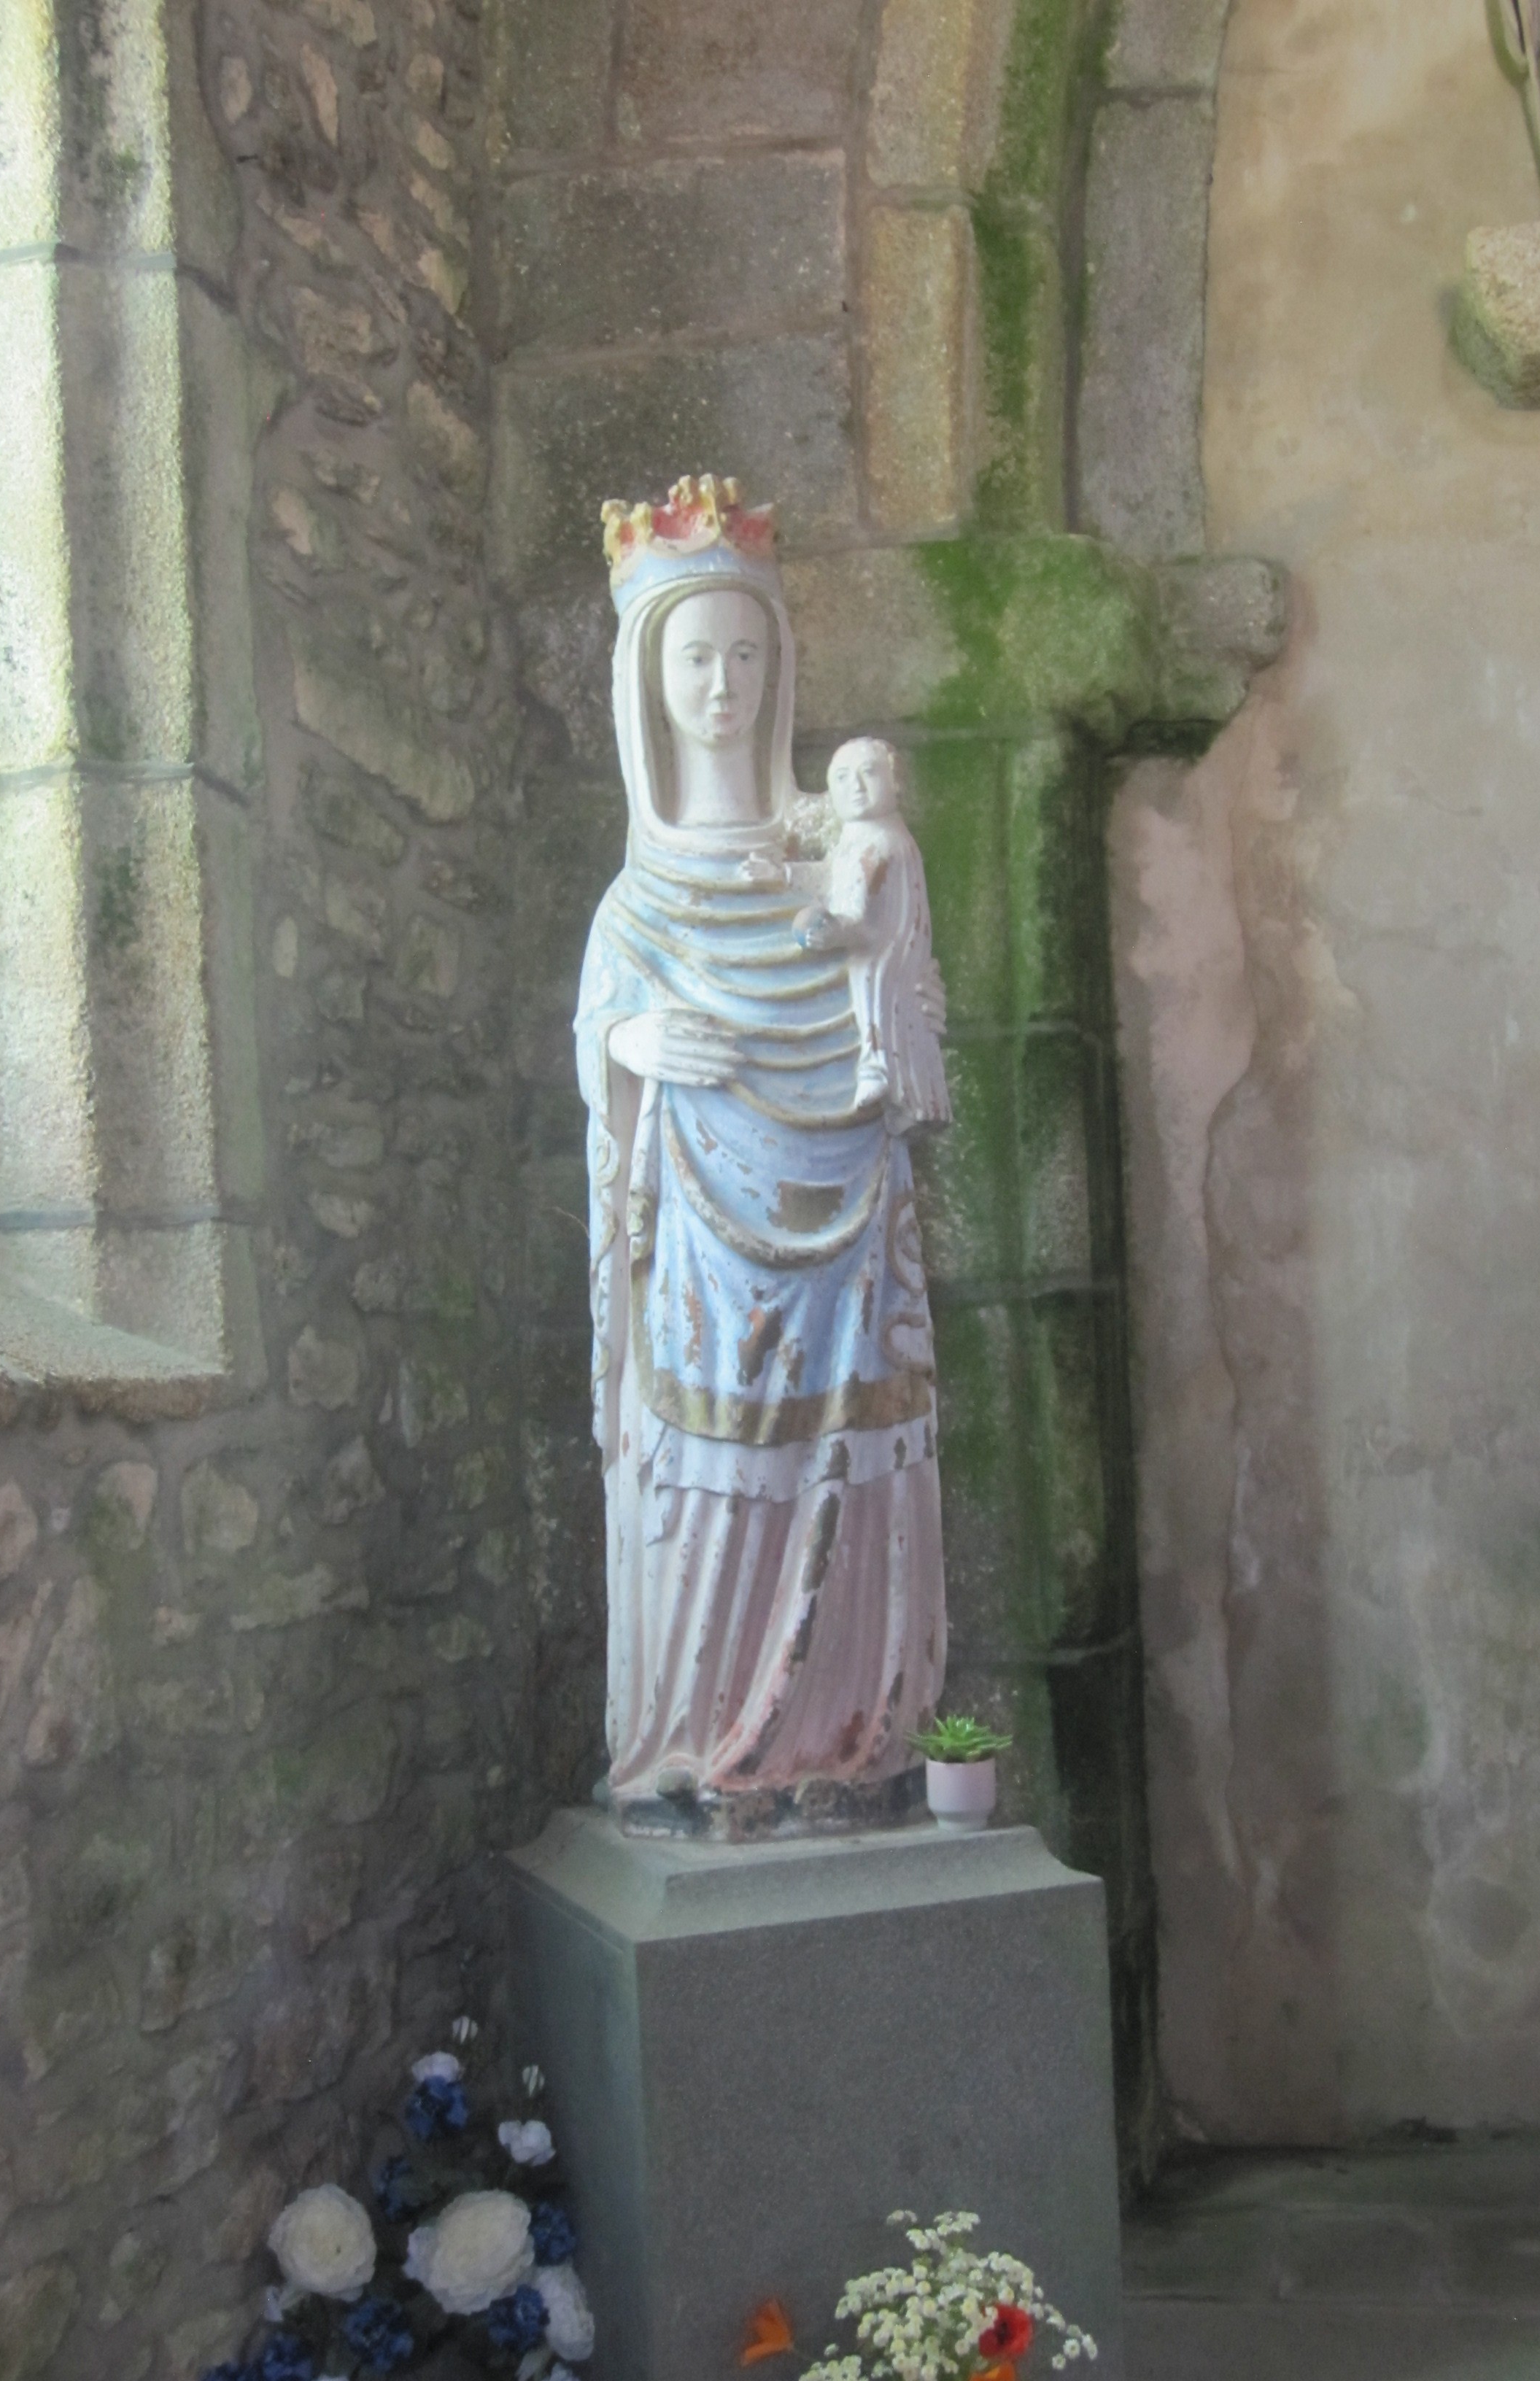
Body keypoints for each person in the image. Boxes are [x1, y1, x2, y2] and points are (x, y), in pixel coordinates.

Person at [573, 476, 949, 1835]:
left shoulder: (830, 858)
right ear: (647, 681)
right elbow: (600, 1058)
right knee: (704, 1457)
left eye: (744, 652)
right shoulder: (635, 902)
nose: (720, 683)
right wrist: (630, 1045)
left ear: (778, 667)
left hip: (844, 1223)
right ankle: (694, 1735)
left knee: (850, 1452)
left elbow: (898, 1024)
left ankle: (852, 1730)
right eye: (692, 656)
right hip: (702, 1251)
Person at [792, 737, 952, 1137]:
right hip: (890, 947)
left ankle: (877, 1066)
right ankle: (912, 1095)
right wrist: (783, 875)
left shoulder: (878, 843)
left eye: (869, 773)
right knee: (905, 1012)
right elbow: (831, 874)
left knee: (878, 996)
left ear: (896, 783)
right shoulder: (863, 837)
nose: (856, 787)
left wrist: (827, 931)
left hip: (884, 949)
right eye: (842, 779)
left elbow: (856, 916)